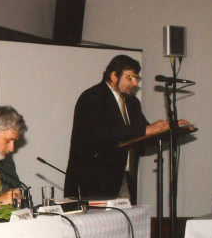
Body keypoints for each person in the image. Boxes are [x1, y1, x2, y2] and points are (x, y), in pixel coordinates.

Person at [64, 54, 189, 200]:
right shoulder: (92, 97)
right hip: (94, 180)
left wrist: (169, 127)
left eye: (136, 78)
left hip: (124, 178)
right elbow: (99, 134)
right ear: (114, 76)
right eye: (130, 77)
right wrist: (145, 130)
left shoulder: (132, 102)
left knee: (126, 222)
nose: (135, 83)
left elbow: (143, 134)